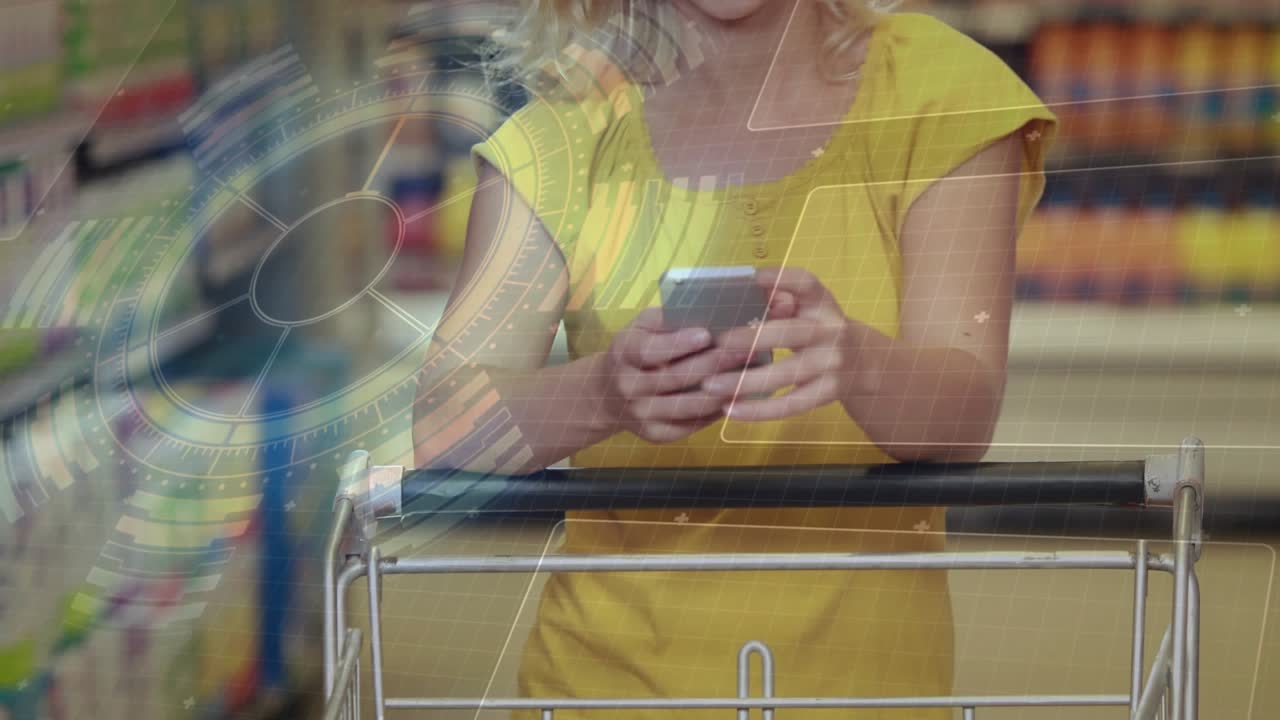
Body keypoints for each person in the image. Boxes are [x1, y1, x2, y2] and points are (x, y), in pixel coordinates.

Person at [416, 1, 1057, 717]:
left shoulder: (940, 92)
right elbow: (447, 424)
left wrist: (856, 363)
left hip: (868, 695)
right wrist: (602, 394)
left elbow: (964, 417)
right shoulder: (565, 133)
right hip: (606, 691)